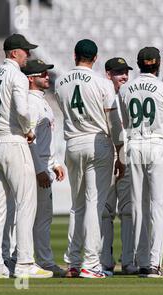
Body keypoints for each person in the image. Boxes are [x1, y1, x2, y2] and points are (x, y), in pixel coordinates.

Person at [0, 34, 53, 279]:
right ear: (14, 52)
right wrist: (26, 130)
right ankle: (25, 263)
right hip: (13, 142)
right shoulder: (16, 75)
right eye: (26, 51)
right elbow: (23, 110)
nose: (29, 55)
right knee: (26, 202)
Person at [55, 39, 124, 279]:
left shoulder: (60, 82)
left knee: (77, 206)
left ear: (74, 55)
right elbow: (114, 123)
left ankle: (73, 263)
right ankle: (91, 264)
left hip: (72, 144)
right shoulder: (102, 84)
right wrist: (121, 152)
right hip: (97, 142)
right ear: (95, 58)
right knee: (94, 204)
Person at [119, 47, 163, 278]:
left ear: (139, 64)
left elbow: (125, 121)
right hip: (158, 144)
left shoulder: (125, 88)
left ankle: (142, 261)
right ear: (158, 63)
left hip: (134, 144)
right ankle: (154, 263)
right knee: (159, 205)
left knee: (138, 204)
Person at [21, 59, 66, 276]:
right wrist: (40, 169)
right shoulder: (30, 103)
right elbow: (28, 140)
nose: (47, 77)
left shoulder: (42, 100)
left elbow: (46, 137)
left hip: (44, 165)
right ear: (31, 79)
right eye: (42, 75)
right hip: (35, 168)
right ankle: (39, 262)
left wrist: (54, 162)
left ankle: (36, 261)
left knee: (42, 218)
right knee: (36, 218)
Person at [100, 57, 138, 275]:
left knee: (128, 209)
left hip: (128, 155)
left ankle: (129, 259)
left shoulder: (130, 95)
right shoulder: (103, 94)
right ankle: (105, 260)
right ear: (108, 74)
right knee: (105, 211)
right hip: (108, 154)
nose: (124, 76)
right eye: (118, 72)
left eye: (126, 72)